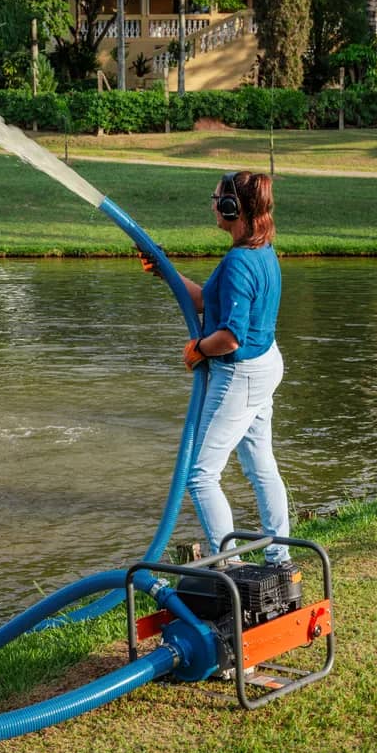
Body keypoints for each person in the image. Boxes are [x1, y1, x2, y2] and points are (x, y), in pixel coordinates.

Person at [144, 171, 290, 565]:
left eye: (217, 198)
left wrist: (199, 350)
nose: (212, 204)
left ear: (232, 208)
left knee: (200, 475)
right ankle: (279, 556)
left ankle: (229, 565)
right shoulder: (260, 252)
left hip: (240, 375)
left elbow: (230, 337)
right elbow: (207, 301)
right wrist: (165, 271)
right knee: (261, 466)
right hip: (264, 366)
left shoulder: (240, 262)